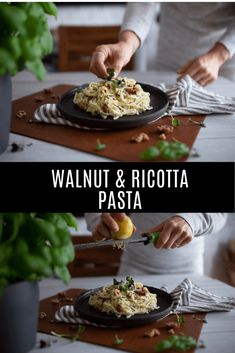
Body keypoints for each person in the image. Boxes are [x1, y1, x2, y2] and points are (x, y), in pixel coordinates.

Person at [90, 3, 235, 85]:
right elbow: (143, 5)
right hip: (169, 58)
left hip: (224, 64)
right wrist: (126, 44)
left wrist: (218, 56)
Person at [85, 213, 228, 275]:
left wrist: (190, 220)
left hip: (188, 267)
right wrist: (98, 219)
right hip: (135, 264)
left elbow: (220, 214)